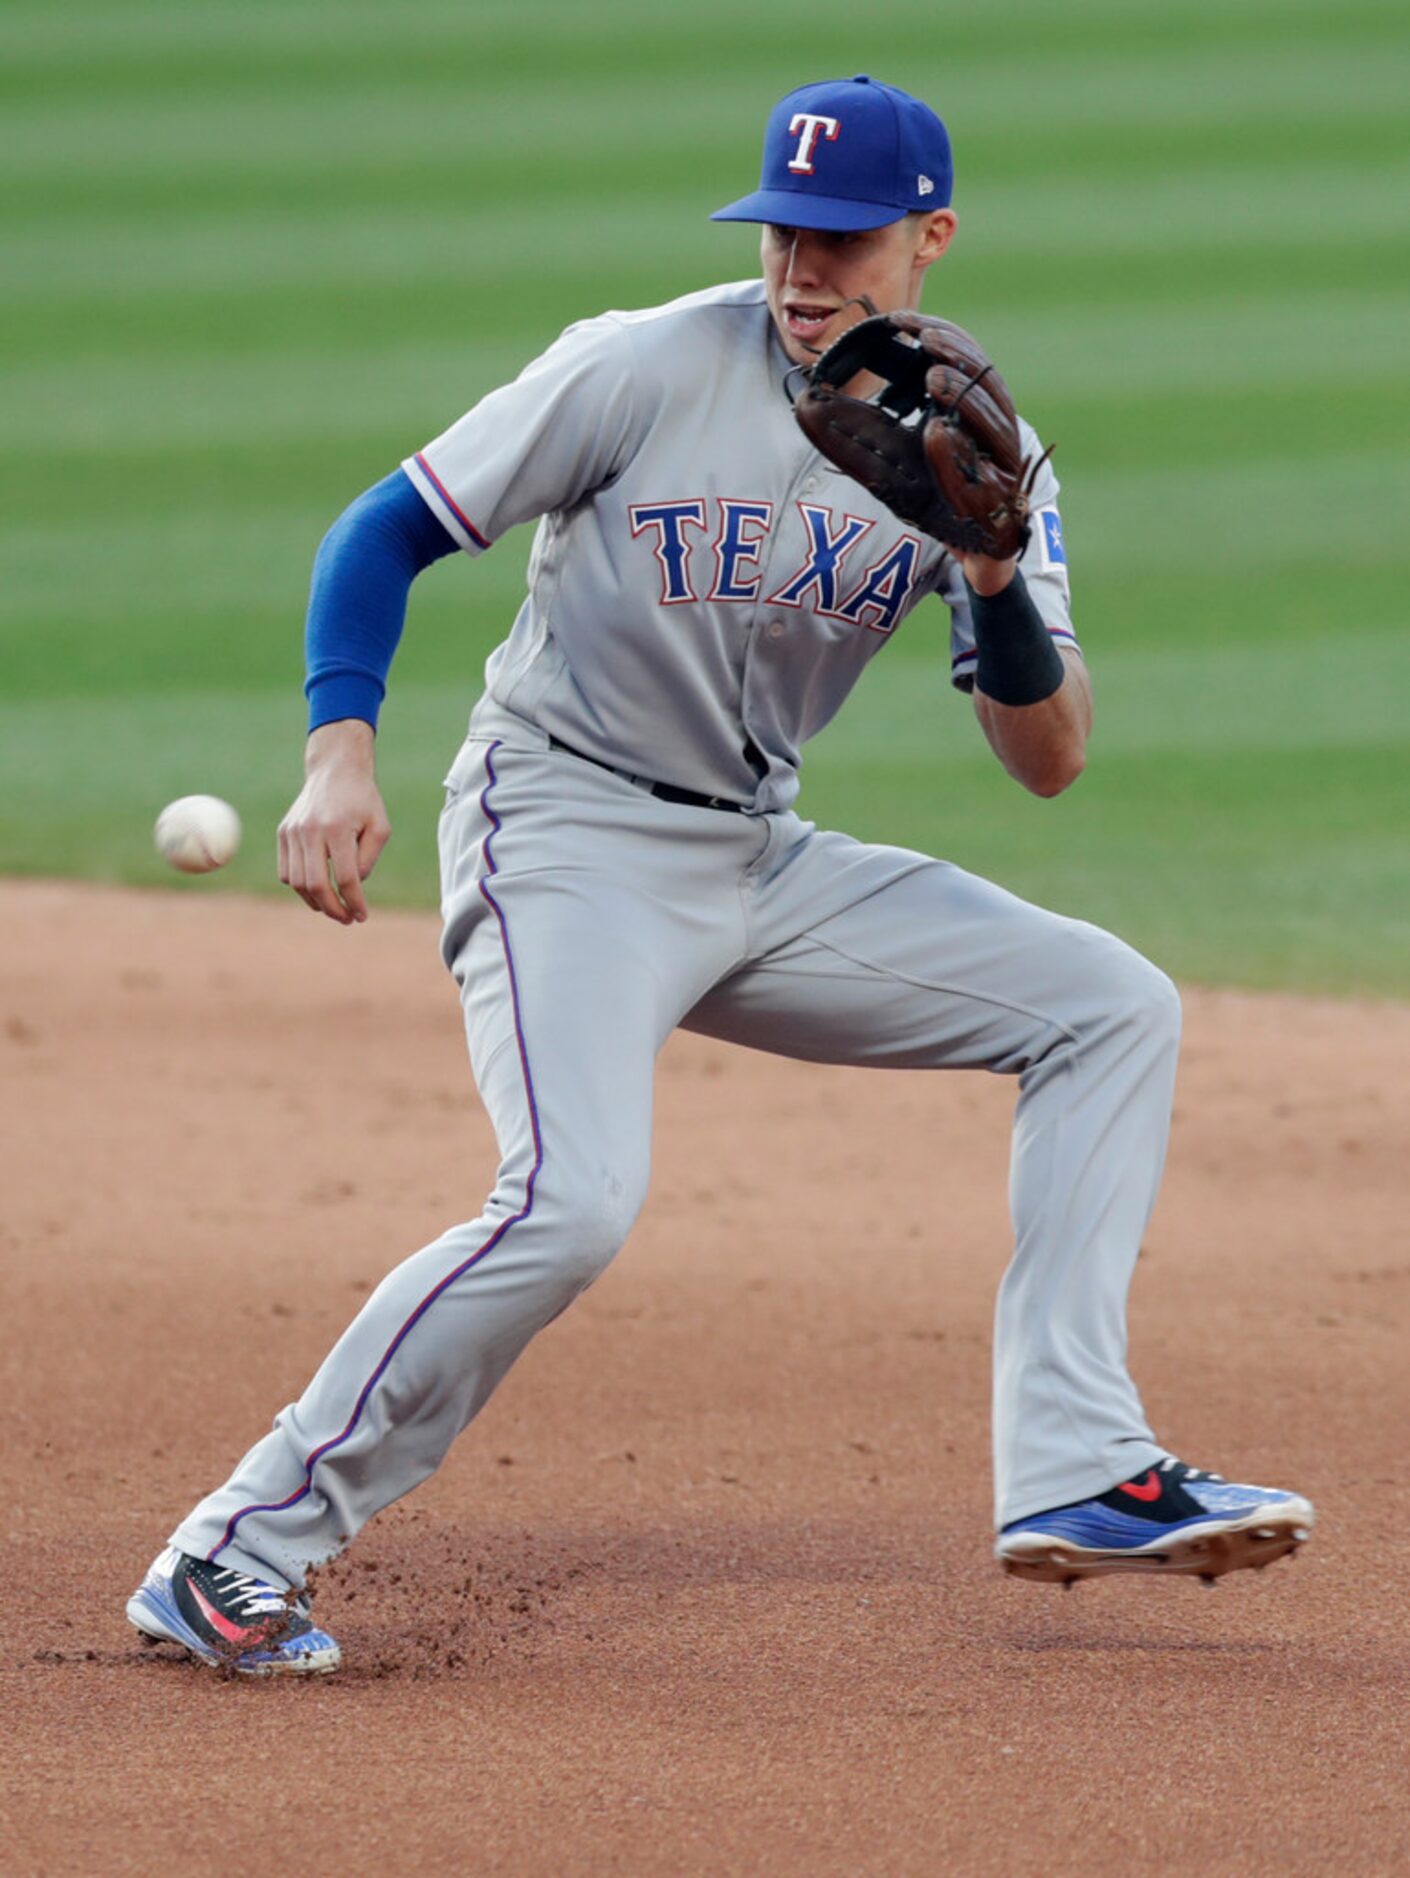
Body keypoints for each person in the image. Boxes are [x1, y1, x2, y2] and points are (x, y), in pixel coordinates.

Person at [127, 75, 1312, 1676]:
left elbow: (1049, 755)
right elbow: (384, 529)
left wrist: (986, 572)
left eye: (840, 238)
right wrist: (341, 749)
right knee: (566, 1200)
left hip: (751, 849)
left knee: (1108, 1006)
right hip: (563, 826)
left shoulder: (987, 453)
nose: (799, 272)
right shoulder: (643, 361)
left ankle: (1078, 1468)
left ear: (930, 238)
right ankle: (236, 1545)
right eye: (778, 235)